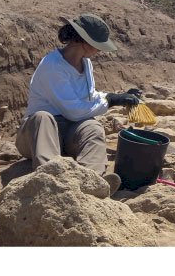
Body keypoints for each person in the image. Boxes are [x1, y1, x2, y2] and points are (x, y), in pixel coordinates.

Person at [15, 13, 141, 195]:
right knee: (43, 117)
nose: (100, 50)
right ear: (84, 41)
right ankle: (51, 182)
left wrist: (115, 96)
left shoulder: (86, 64)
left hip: (66, 135)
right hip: (37, 136)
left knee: (92, 127)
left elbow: (88, 98)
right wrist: (110, 101)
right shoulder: (53, 66)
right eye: (98, 45)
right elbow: (74, 111)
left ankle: (91, 183)